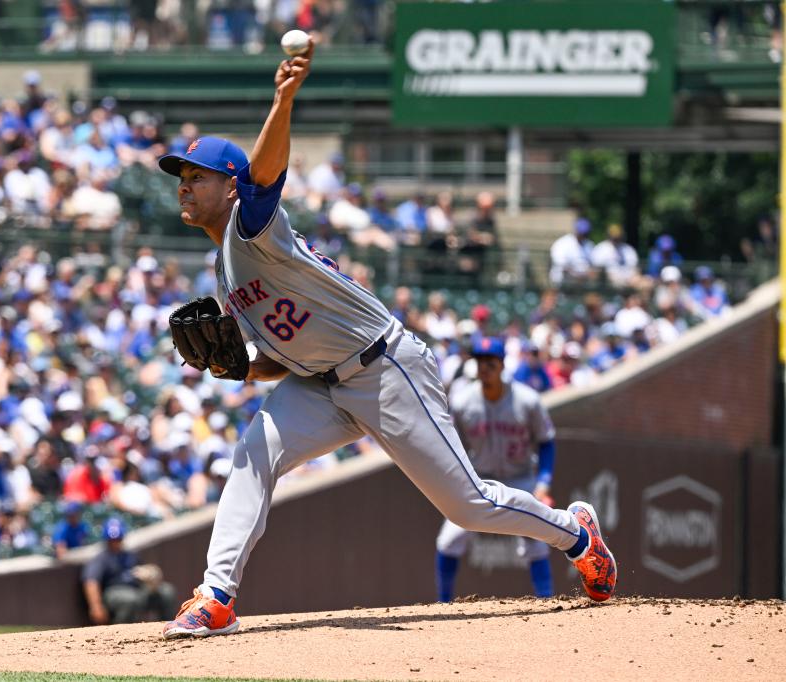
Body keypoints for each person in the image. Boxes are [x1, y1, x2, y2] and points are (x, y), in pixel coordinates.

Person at [154, 37, 616, 639]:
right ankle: (217, 596)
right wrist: (241, 367)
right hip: (320, 385)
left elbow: (266, 176)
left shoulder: (251, 227)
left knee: (465, 505)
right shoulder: (226, 267)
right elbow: (277, 357)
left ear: (231, 186)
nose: (184, 185)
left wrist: (284, 99)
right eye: (181, 177)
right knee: (253, 453)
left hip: (385, 368)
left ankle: (577, 534)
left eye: (197, 175)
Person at [435, 337, 558, 601]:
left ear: (502, 365)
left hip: (521, 478)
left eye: (490, 363)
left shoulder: (528, 400)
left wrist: (544, 482)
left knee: (536, 541)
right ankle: (443, 601)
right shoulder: (462, 402)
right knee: (448, 540)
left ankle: (546, 600)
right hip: (481, 481)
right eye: (479, 362)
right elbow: (452, 447)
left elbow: (546, 443)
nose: (484, 368)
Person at [81, 518, 176, 625]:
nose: (115, 543)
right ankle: (119, 632)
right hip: (114, 592)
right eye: (112, 540)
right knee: (131, 599)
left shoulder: (129, 555)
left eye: (118, 539)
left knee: (166, 591)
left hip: (136, 588)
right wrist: (96, 606)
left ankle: (168, 626)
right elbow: (91, 581)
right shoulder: (101, 559)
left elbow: (142, 570)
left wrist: (149, 574)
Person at [590, 224, 640, 288]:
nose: (616, 239)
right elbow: (596, 271)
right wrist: (611, 277)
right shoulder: (601, 249)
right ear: (608, 236)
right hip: (607, 283)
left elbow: (636, 269)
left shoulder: (628, 250)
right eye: (613, 237)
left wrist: (632, 279)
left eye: (618, 237)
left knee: (645, 284)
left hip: (629, 282)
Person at [549, 218, 595, 284]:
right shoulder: (563, 243)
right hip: (563, 282)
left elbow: (593, 265)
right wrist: (578, 276)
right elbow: (562, 267)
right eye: (581, 233)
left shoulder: (589, 245)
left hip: (583, 282)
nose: (583, 236)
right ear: (576, 231)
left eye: (585, 234)